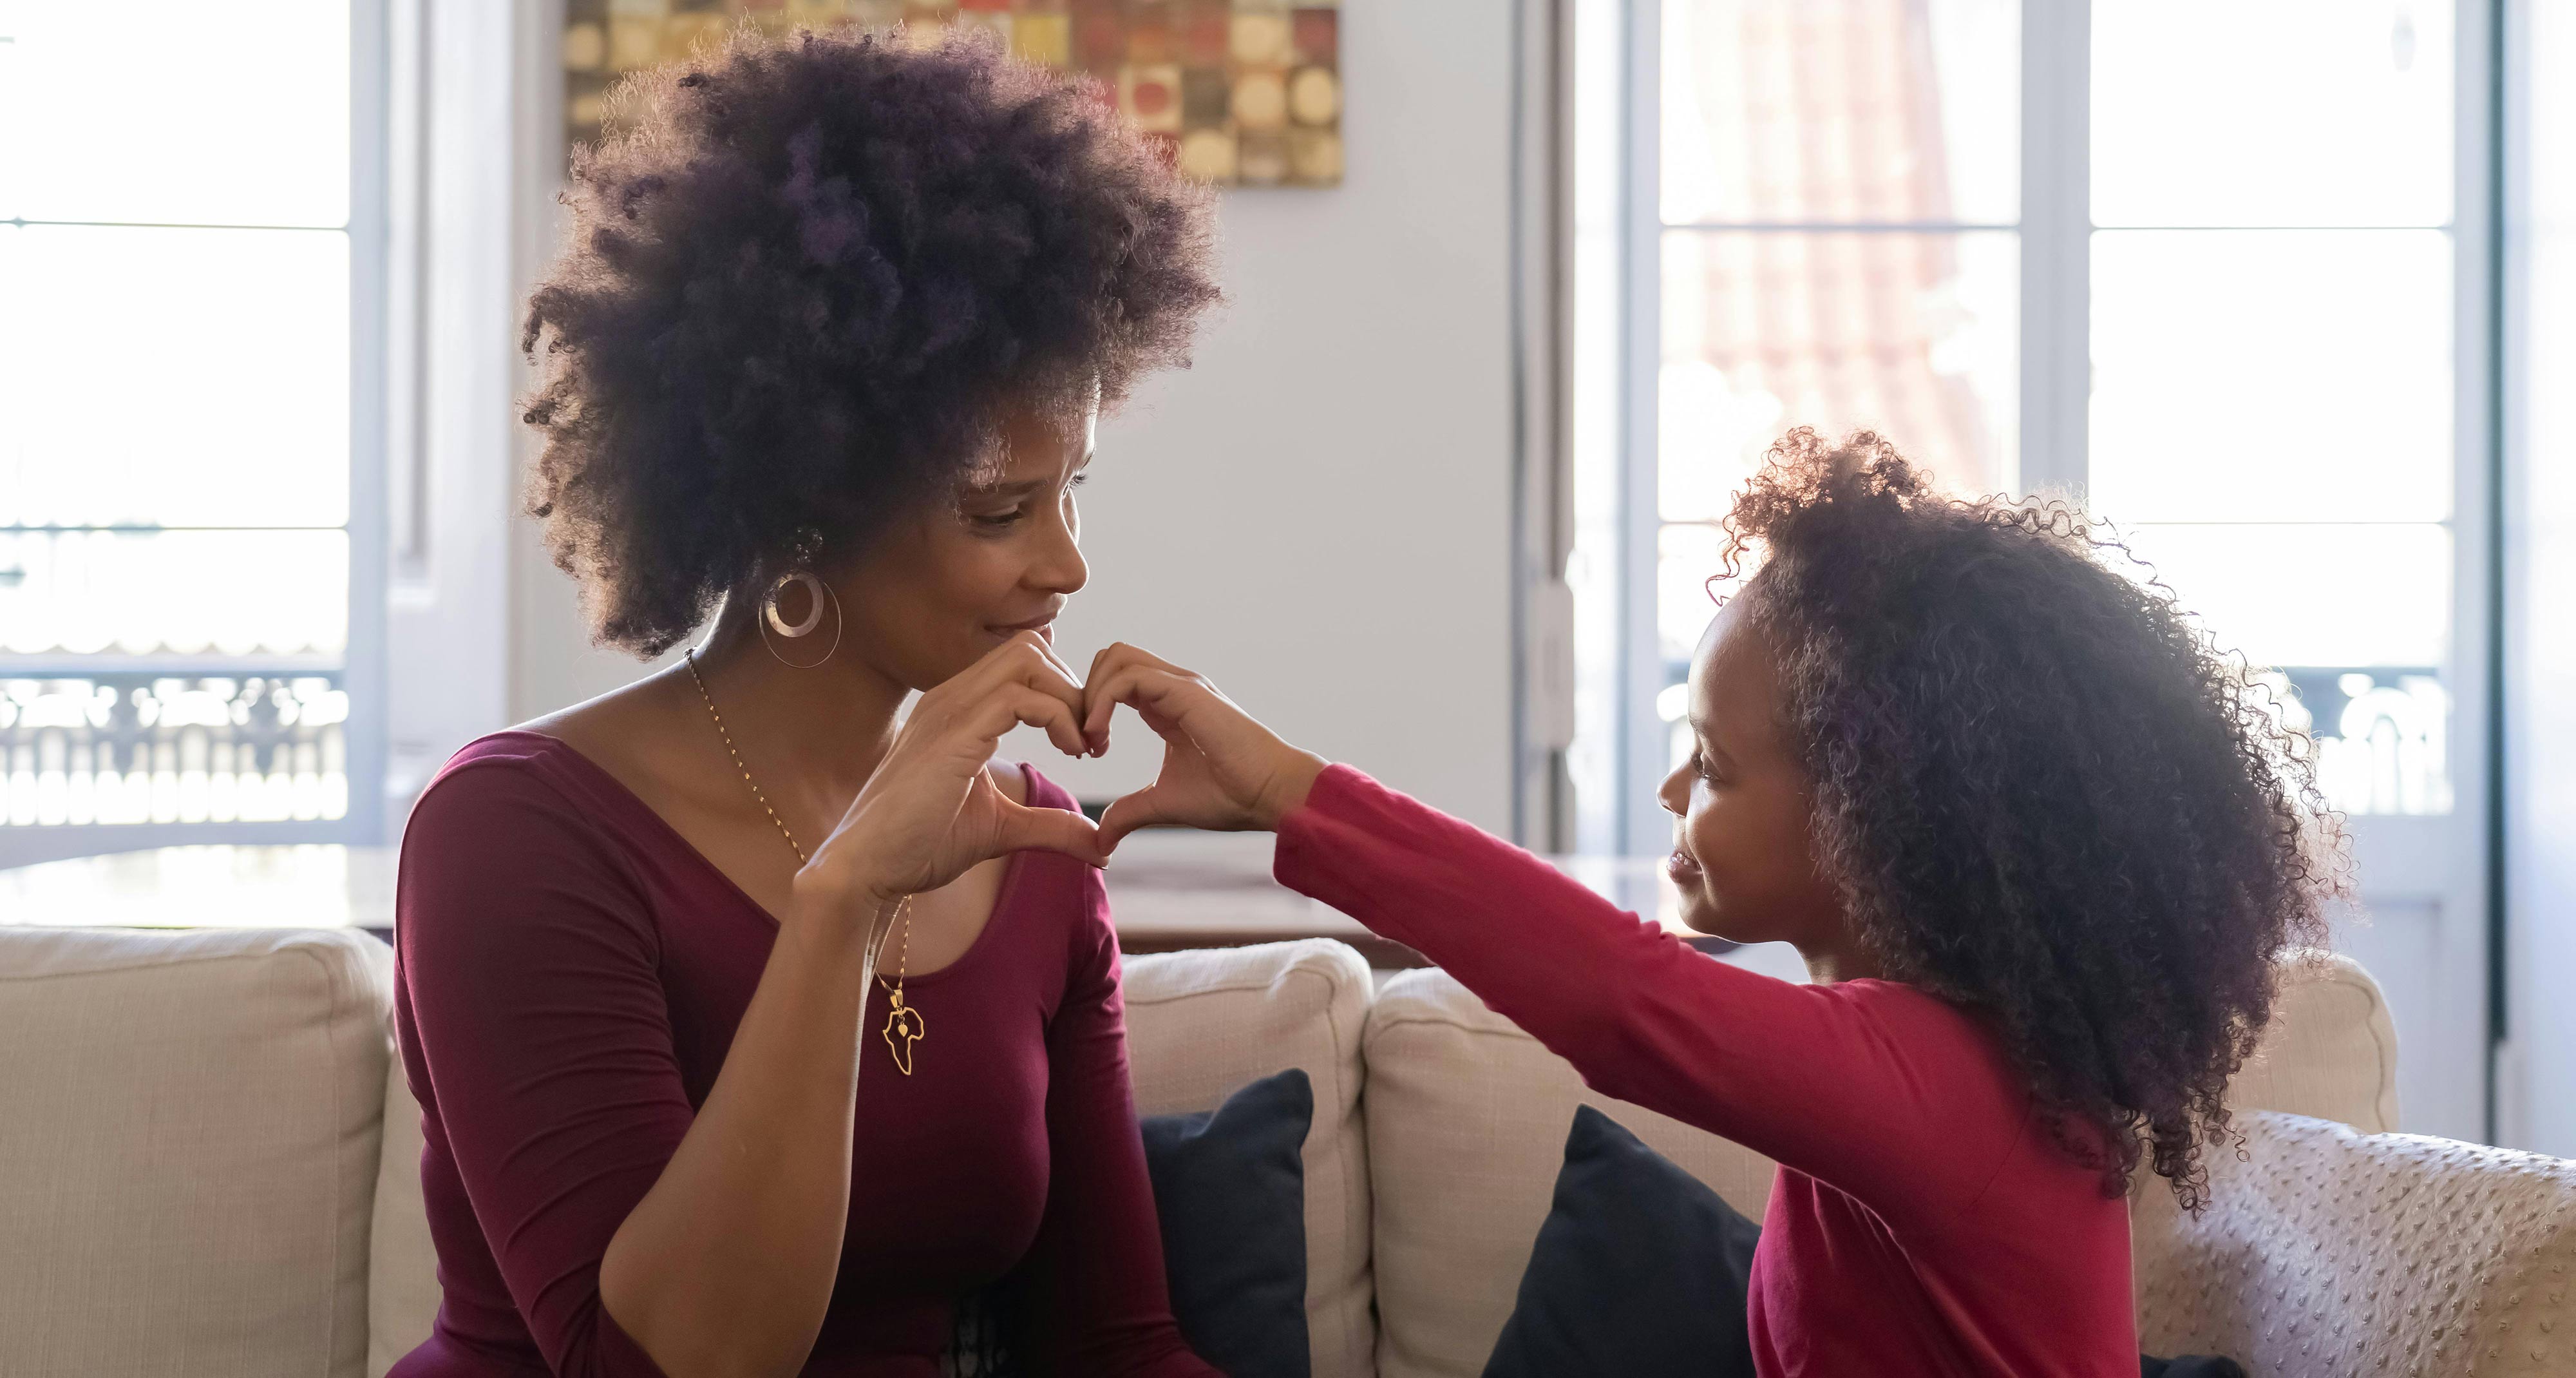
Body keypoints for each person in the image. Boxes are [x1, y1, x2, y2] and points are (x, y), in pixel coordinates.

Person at [1077, 430, 2341, 1376]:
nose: (1673, 784)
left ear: (1870, 808)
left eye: (1716, 764)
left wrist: (1286, 792)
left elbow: (1626, 999)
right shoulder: (1932, 1048)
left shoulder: (1937, 1081)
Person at [390, 27, 1222, 1378]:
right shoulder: (513, 835)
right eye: (999, 509)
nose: (1066, 563)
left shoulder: (1035, 851)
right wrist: (844, 898)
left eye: (1072, 491)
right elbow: (670, 1361)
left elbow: (1113, 1345)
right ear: (799, 505)